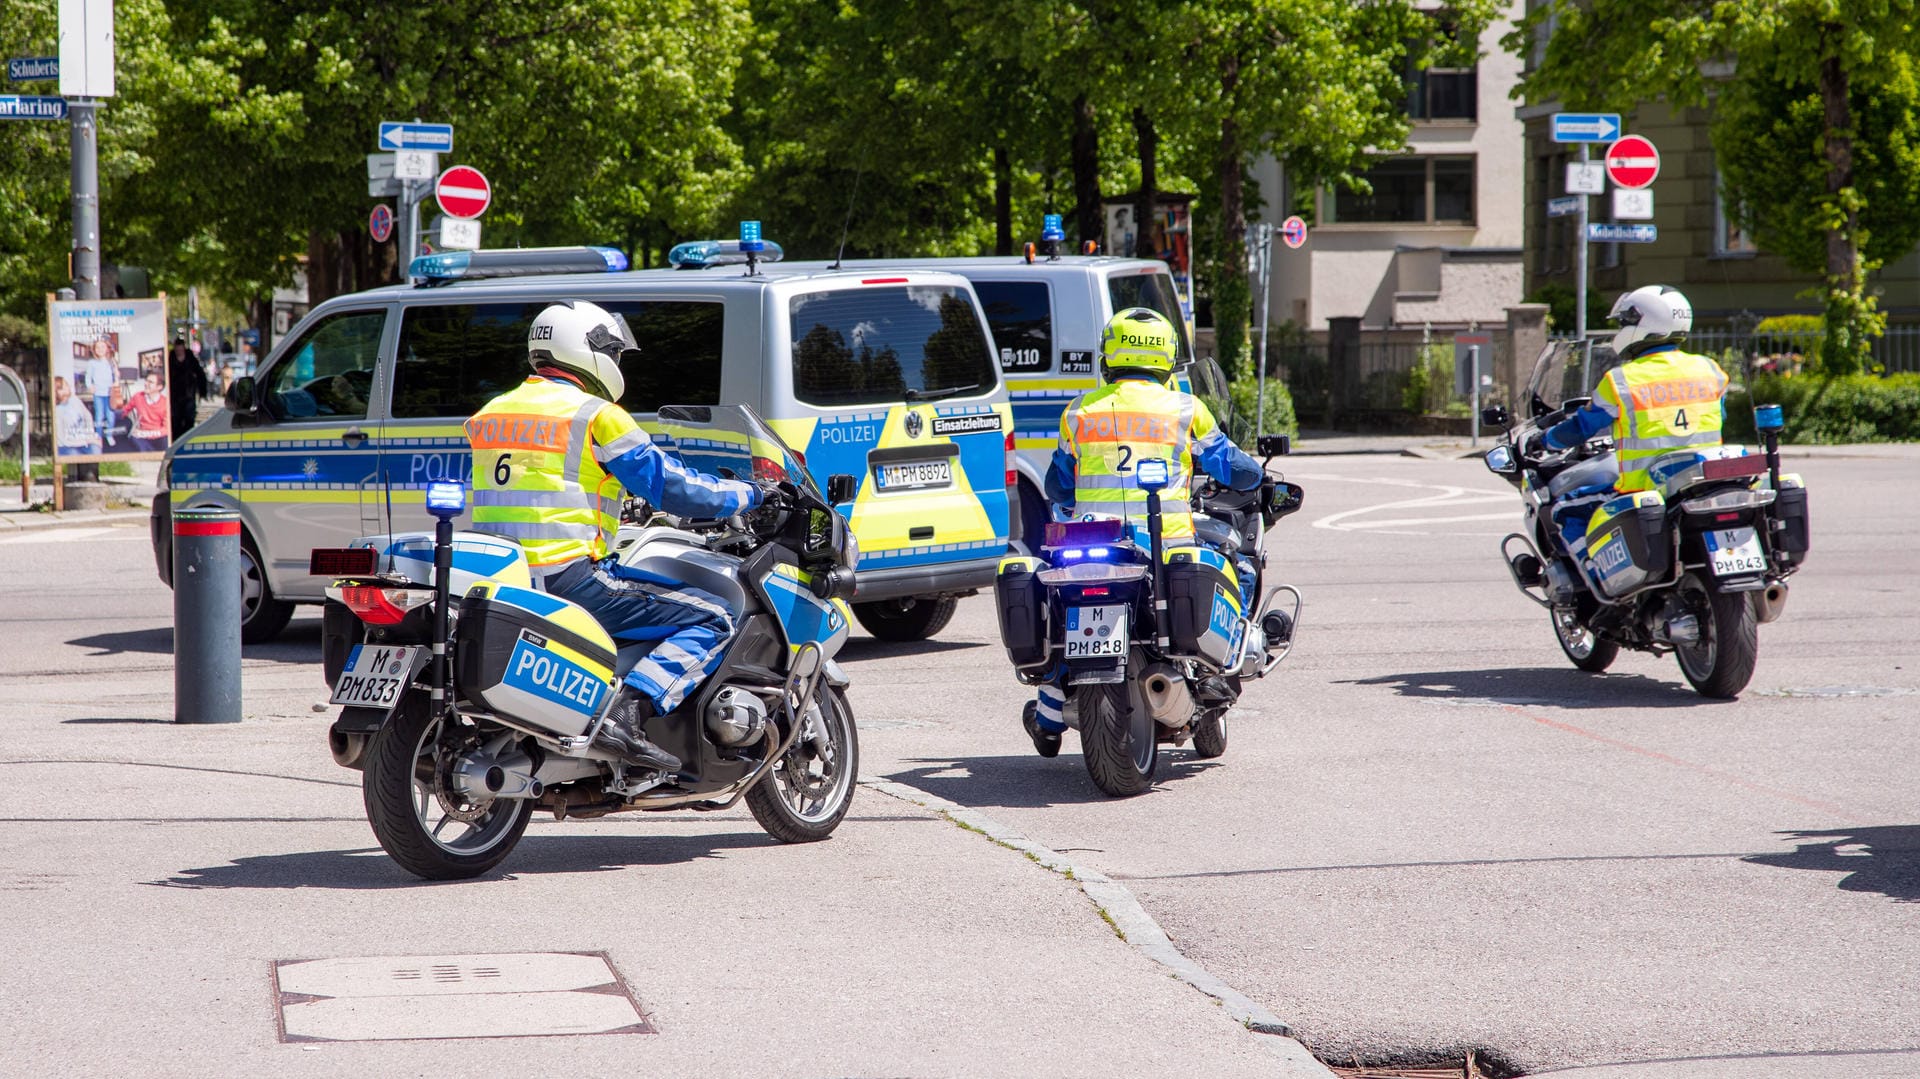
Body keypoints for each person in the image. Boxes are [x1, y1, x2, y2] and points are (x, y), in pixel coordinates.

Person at [466, 300, 762, 772]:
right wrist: (746, 495)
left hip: (505, 578)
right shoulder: (595, 414)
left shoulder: (492, 411)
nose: (618, 364)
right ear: (588, 350)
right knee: (715, 617)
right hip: (568, 576)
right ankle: (628, 712)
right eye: (615, 353)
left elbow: (542, 482)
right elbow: (672, 487)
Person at [1022, 307, 1264, 755]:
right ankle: (1216, 671)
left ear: (1109, 356)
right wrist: (1257, 476)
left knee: (1063, 619)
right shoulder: (1186, 408)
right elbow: (1233, 468)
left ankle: (1049, 709)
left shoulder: (1078, 412)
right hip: (1165, 543)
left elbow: (1058, 485)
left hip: (1092, 544)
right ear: (1167, 357)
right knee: (1239, 571)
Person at [1534, 284, 1729, 552]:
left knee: (1566, 510)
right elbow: (1719, 417)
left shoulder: (1622, 380)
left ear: (1642, 323)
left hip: (1645, 490)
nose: (1620, 331)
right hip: (1702, 484)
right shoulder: (1709, 369)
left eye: (1624, 323)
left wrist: (1546, 440)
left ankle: (1592, 583)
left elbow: (1582, 427)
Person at [169, 335, 210, 439]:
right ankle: (176, 439)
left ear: (184, 348)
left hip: (188, 395)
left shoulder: (190, 358)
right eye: (177, 349)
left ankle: (187, 438)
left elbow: (200, 374)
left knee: (189, 418)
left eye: (180, 349)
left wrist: (203, 392)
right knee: (175, 420)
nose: (179, 351)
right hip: (174, 396)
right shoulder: (170, 359)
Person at [120, 372, 172, 452]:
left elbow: (166, 429)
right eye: (146, 381)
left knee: (166, 441)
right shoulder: (138, 396)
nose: (146, 384)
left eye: (150, 382)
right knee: (134, 440)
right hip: (142, 436)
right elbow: (124, 411)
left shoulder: (165, 403)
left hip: (158, 436)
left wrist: (147, 434)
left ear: (159, 387)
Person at [52, 377, 101, 456]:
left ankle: (93, 468)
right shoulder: (57, 411)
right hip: (67, 446)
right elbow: (64, 440)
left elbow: (88, 416)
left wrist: (90, 435)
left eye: (67, 384)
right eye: (64, 386)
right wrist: (87, 441)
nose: (68, 387)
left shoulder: (74, 399)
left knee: (96, 449)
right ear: (57, 392)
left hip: (84, 439)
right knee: (76, 456)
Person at [83, 337, 118, 447]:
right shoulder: (91, 363)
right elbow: (88, 377)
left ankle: (109, 435)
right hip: (98, 393)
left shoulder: (112, 361)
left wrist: (117, 380)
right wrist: (90, 386)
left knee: (110, 415)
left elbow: (116, 376)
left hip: (110, 394)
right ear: (94, 349)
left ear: (107, 348)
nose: (100, 349)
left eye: (102, 346)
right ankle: (98, 435)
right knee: (99, 416)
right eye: (97, 347)